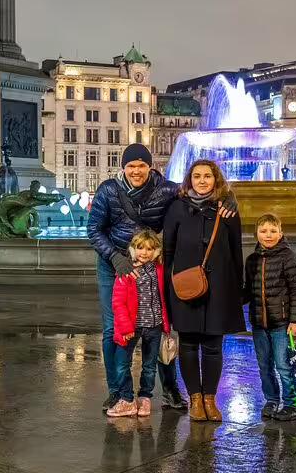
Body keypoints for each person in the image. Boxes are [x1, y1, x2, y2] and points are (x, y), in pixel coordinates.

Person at [88, 144, 198, 413]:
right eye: (131, 166)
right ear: (123, 168)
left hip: (151, 263)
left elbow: (200, 197)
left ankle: (170, 391)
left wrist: (228, 201)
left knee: (160, 326)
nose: (136, 171)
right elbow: (93, 229)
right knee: (113, 329)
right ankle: (117, 392)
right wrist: (116, 257)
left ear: (150, 166)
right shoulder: (109, 190)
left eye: (141, 165)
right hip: (114, 265)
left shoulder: (167, 190)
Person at [163, 159, 245, 422]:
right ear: (189, 180)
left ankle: (210, 399)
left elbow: (236, 252)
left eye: (207, 176)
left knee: (213, 346)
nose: (201, 181)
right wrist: (168, 289)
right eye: (196, 176)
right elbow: (168, 250)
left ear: (215, 179)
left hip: (219, 287)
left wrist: (238, 289)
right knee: (188, 346)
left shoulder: (227, 210)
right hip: (185, 287)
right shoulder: (177, 208)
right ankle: (194, 399)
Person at [244, 213, 296, 421]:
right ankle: (271, 400)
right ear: (256, 234)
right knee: (264, 364)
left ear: (280, 233)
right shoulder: (252, 259)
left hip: (281, 323)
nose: (268, 235)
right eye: (263, 231)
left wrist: (295, 320)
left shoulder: (287, 256)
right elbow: (248, 291)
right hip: (259, 322)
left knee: (284, 365)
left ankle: (291, 403)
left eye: (273, 231)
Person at [107, 229, 171, 418]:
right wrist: (125, 327)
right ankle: (127, 399)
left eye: (150, 249)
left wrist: (165, 324)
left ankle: (145, 398)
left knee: (149, 365)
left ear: (157, 251)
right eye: (141, 248)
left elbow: (162, 298)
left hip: (154, 326)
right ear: (134, 249)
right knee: (121, 363)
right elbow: (118, 302)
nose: (145, 252)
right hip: (132, 328)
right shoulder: (126, 271)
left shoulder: (158, 269)